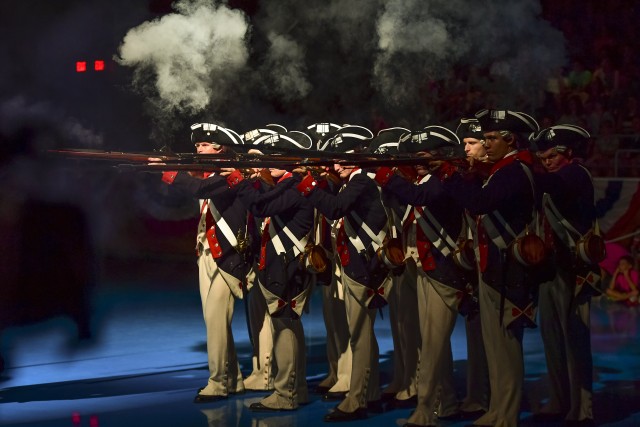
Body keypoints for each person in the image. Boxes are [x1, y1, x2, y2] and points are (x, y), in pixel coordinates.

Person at [435, 109, 541, 427]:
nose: (486, 143)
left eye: (492, 138)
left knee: (506, 348)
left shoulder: (514, 170)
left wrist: (450, 176)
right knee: (494, 347)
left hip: (509, 268)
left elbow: (480, 203)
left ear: (510, 140)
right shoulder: (502, 169)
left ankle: (506, 415)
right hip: (494, 266)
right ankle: (497, 409)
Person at [375, 125, 474, 426]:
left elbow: (421, 196)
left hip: (443, 272)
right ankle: (445, 404)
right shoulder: (428, 177)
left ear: (438, 156)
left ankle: (425, 410)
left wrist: (387, 175)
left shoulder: (443, 180)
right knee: (433, 345)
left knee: (432, 346)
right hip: (427, 269)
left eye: (423, 155)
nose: (418, 161)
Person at [295, 125, 391, 422]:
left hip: (362, 268)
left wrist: (309, 184)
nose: (337, 166)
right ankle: (370, 393)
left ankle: (357, 400)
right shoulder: (359, 179)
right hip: (360, 266)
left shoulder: (361, 180)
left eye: (342, 159)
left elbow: (335, 209)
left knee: (360, 336)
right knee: (363, 336)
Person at [225, 131, 316, 411]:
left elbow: (261, 206)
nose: (270, 162)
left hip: (287, 268)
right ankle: (296, 389)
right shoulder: (288, 183)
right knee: (288, 327)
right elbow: (266, 197)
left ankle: (285, 394)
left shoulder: (293, 185)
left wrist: (239, 181)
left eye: (277, 157)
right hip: (286, 266)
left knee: (284, 330)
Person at [157, 123, 248, 403]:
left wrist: (174, 173)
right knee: (214, 321)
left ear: (220, 148)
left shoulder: (229, 174)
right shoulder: (210, 171)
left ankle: (219, 382)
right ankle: (233, 378)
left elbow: (201, 189)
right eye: (197, 146)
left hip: (228, 252)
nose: (199, 149)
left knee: (216, 319)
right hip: (208, 250)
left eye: (205, 145)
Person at [532, 124, 605, 426]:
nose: (547, 161)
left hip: (574, 268)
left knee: (575, 340)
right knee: (552, 339)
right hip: (552, 266)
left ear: (568, 154)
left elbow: (554, 186)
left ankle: (583, 407)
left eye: (552, 156)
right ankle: (560, 399)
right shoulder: (554, 177)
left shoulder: (576, 174)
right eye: (544, 158)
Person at [454, 118, 491, 419]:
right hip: (473, 263)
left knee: (493, 339)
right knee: (476, 335)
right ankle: (477, 395)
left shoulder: (491, 177)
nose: (465, 148)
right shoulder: (473, 176)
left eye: (471, 143)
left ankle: (488, 398)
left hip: (494, 264)